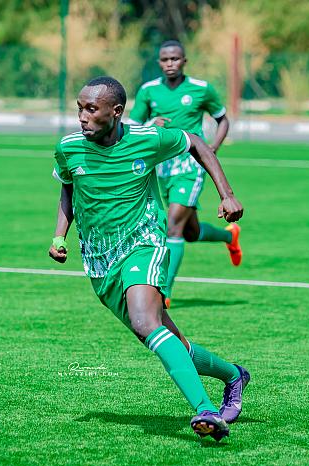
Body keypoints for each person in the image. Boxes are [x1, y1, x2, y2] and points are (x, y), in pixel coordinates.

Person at [49, 76, 249, 441]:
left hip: (144, 243)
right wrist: (59, 236)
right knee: (167, 339)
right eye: (79, 108)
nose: (82, 116)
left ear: (116, 111)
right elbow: (67, 188)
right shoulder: (68, 147)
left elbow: (196, 143)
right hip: (100, 260)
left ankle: (206, 411)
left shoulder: (147, 139)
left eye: (91, 109)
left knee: (145, 321)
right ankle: (233, 375)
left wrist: (227, 194)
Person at [128, 40, 240, 306]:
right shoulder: (148, 90)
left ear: (184, 61)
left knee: (173, 227)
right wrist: (149, 124)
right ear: (159, 62)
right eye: (165, 59)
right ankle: (229, 236)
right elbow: (131, 128)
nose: (170, 64)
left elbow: (222, 119)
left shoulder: (201, 89)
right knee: (190, 232)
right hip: (161, 167)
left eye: (175, 59)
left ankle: (163, 293)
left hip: (191, 166)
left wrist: (211, 149)